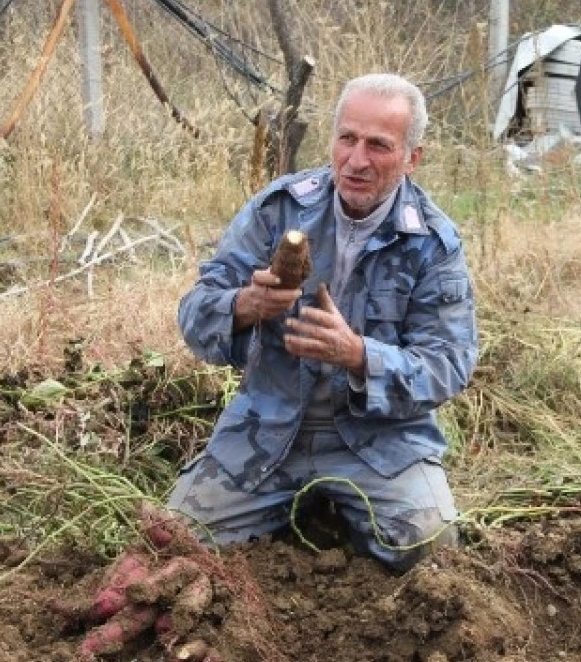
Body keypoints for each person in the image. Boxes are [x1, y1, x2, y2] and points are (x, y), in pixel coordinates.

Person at [167, 73, 478, 572]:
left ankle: (334, 519)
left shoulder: (433, 243)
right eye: (347, 139)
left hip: (379, 441)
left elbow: (448, 364)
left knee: (430, 550)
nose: (356, 161)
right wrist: (246, 305)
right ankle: (302, 518)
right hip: (266, 431)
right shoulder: (279, 210)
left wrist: (357, 354)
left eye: (378, 145)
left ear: (412, 157)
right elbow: (195, 313)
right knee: (179, 544)